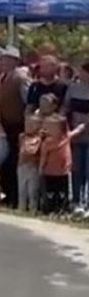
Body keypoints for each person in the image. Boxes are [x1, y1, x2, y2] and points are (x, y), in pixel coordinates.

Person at [0, 45, 30, 208]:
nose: (2, 62)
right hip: (7, 125)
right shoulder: (5, 77)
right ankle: (10, 194)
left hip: (18, 126)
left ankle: (15, 196)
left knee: (13, 162)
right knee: (8, 162)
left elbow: (27, 102)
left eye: (5, 59)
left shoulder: (21, 78)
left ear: (13, 61)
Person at [64, 60, 89, 213]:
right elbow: (66, 107)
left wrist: (83, 126)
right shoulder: (73, 88)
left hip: (86, 133)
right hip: (74, 134)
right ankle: (75, 201)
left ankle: (87, 203)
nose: (80, 74)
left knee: (88, 171)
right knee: (76, 169)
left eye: (83, 72)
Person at [18, 112, 45, 213]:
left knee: (32, 190)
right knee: (22, 189)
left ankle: (33, 209)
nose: (28, 126)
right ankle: (21, 208)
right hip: (22, 166)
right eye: (27, 124)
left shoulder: (40, 139)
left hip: (33, 166)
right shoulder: (22, 137)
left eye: (32, 124)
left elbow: (34, 151)